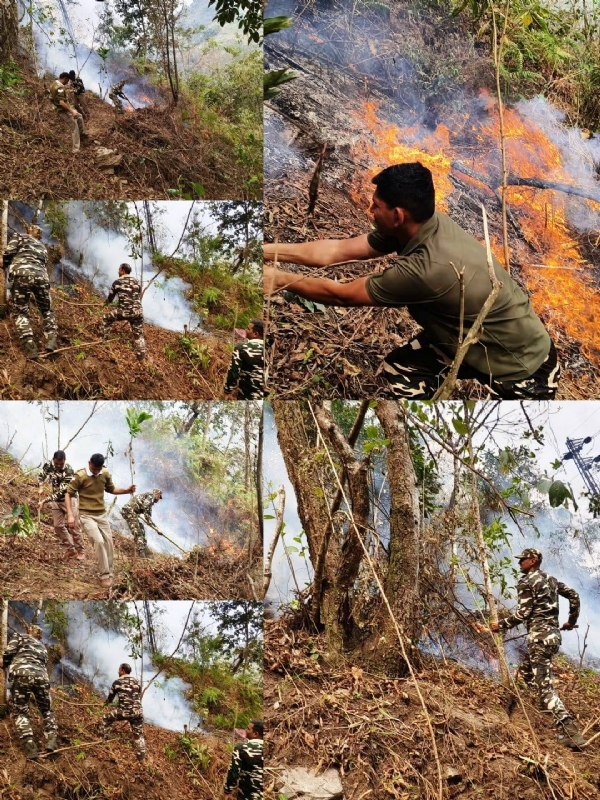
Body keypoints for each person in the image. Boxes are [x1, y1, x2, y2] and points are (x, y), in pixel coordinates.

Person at [264, 162, 560, 400]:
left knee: (405, 375)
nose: (370, 212)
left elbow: (342, 295)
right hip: (476, 332)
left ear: (397, 215)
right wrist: (266, 252)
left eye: (375, 206)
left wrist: (280, 281)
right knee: (401, 368)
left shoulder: (426, 270)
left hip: (524, 367)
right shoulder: (425, 223)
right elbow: (338, 250)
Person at [490, 548, 586, 750]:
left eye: (522, 560)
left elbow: (523, 613)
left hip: (540, 639)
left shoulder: (526, 582)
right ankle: (545, 705)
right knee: (526, 672)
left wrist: (501, 625)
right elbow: (574, 596)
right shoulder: (551, 579)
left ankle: (570, 731)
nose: (519, 563)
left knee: (546, 688)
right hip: (553, 638)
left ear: (533, 560)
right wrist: (570, 621)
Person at [65, 453, 136, 589]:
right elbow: (68, 493)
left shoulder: (105, 473)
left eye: (98, 469)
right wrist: (70, 515)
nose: (96, 471)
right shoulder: (80, 476)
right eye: (94, 468)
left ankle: (109, 572)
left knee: (108, 542)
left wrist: (127, 491)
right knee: (98, 541)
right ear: (89, 463)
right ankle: (104, 575)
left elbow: (111, 489)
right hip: (86, 515)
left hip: (101, 515)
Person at [2, 225, 58, 360]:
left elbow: (8, 254)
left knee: (21, 312)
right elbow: (43, 265)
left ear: (28, 232)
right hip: (42, 278)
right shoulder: (43, 248)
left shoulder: (20, 236)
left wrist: (4, 263)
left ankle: (30, 348)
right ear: (39, 236)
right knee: (47, 310)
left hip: (22, 275)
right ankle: (51, 340)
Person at [3, 625, 58, 760]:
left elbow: (8, 654)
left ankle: (30, 748)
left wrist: (4, 663)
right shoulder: (43, 648)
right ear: (39, 636)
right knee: (46, 710)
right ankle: (51, 740)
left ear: (28, 632)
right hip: (41, 678)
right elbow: (44, 664)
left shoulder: (20, 637)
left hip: (21, 674)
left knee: (21, 711)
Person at [38, 449, 85, 559]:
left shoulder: (69, 471)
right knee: (58, 526)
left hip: (69, 499)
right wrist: (40, 486)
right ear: (53, 460)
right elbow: (41, 475)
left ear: (64, 461)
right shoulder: (49, 465)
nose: (59, 465)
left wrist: (44, 501)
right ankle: (70, 548)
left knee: (73, 526)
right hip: (56, 501)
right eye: (56, 463)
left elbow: (61, 493)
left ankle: (81, 550)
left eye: (61, 463)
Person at [103, 663, 145, 761]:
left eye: (119, 669)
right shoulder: (137, 682)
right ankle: (141, 757)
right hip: (138, 712)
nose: (118, 671)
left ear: (122, 670)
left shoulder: (117, 682)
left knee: (106, 718)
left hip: (124, 711)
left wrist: (105, 704)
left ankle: (102, 740)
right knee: (138, 735)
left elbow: (110, 699)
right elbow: (137, 694)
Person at [103, 263, 146, 361]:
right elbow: (138, 295)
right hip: (138, 312)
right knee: (138, 335)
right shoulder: (137, 282)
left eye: (119, 269)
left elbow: (110, 299)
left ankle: (102, 340)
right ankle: (141, 358)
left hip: (124, 312)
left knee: (106, 318)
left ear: (122, 270)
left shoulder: (117, 282)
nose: (118, 271)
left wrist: (105, 304)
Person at [223, 320, 265, 399]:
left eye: (248, 329)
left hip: (247, 396)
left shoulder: (241, 348)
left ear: (256, 334)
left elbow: (233, 372)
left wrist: (227, 391)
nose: (245, 330)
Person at [223, 720, 263, 799]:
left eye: (248, 729)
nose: (245, 730)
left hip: (247, 796)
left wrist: (227, 791)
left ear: (255, 734)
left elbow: (233, 773)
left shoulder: (241, 748)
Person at [49, 71, 87, 153]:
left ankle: (82, 135)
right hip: (63, 110)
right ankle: (76, 149)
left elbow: (51, 97)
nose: (68, 82)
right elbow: (62, 102)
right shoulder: (60, 88)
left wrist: (55, 103)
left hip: (65, 108)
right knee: (74, 126)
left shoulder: (54, 84)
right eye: (67, 80)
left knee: (79, 116)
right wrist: (72, 112)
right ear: (65, 78)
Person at [121, 488, 163, 557]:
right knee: (138, 532)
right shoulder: (150, 497)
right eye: (159, 497)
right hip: (129, 512)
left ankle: (145, 548)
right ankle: (141, 553)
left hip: (131, 512)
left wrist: (155, 527)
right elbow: (147, 515)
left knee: (141, 528)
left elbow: (148, 516)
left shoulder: (148, 498)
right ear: (156, 494)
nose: (159, 499)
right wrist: (157, 529)